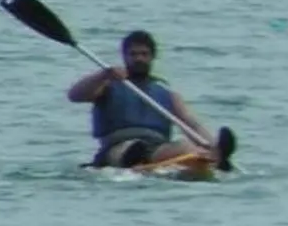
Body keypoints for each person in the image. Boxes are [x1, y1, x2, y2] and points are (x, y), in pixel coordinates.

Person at [67, 29, 228, 169]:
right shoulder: (107, 85)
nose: (139, 59)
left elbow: (192, 124)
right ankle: (136, 158)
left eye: (144, 54)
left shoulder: (166, 92)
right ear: (124, 57)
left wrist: (210, 145)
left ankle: (213, 155)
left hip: (156, 147)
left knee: (185, 146)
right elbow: (74, 95)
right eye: (133, 54)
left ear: (152, 57)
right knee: (130, 149)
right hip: (117, 148)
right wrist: (102, 75)